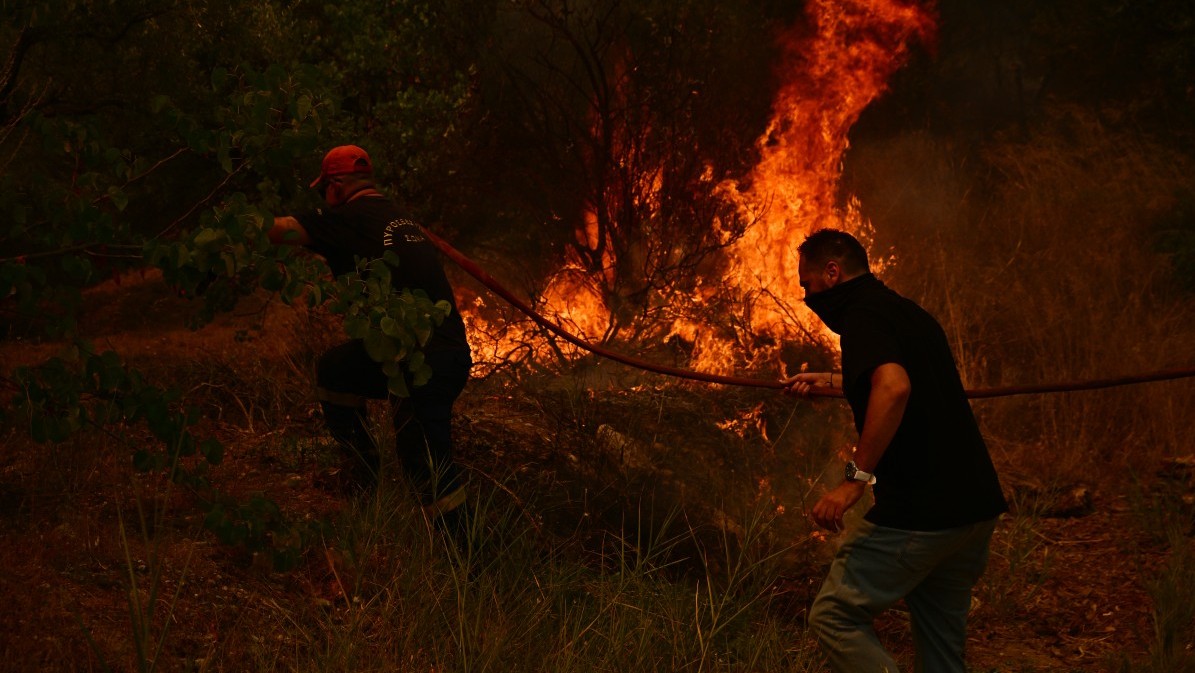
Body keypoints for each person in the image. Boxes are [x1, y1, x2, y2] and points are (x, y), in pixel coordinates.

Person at [781, 228, 1007, 672]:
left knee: (832, 616)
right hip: (974, 512)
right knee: (941, 651)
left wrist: (854, 481)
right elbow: (908, 377)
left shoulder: (862, 316)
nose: (806, 295)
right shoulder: (906, 313)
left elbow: (895, 386)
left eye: (807, 284)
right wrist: (835, 380)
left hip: (921, 514)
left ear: (832, 272)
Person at [269, 144, 474, 544]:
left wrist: (224, 231)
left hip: (424, 362)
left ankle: (466, 562)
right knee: (337, 369)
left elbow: (280, 230)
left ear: (336, 186)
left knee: (426, 464)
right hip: (434, 356)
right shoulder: (399, 218)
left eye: (324, 191)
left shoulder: (347, 217)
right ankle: (363, 472)